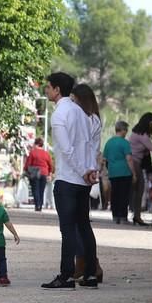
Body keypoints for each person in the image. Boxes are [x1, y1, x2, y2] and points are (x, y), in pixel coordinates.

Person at [41, 72, 98, 290]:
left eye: (49, 87)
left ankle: (66, 275)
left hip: (68, 178)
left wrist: (84, 170)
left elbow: (66, 149)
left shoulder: (59, 114)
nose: (47, 90)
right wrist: (90, 169)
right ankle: (90, 274)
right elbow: (89, 144)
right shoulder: (81, 113)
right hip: (83, 180)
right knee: (84, 226)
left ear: (57, 90)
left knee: (67, 229)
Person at [70, 83, 104, 283]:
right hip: (88, 171)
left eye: (74, 100)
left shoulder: (87, 120)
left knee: (77, 222)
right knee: (80, 222)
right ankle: (88, 262)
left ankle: (86, 262)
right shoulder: (94, 120)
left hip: (83, 172)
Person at [103, 121, 137, 224]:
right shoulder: (125, 143)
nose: (126, 132)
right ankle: (123, 217)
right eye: (126, 130)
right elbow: (129, 159)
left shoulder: (109, 142)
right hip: (124, 172)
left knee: (115, 194)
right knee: (124, 195)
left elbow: (104, 159)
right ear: (122, 130)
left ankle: (115, 216)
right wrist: (134, 173)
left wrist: (106, 171)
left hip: (113, 172)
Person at [24, 137, 54, 211]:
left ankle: (37, 205)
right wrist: (50, 173)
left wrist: (26, 171)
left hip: (35, 173)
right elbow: (51, 165)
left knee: (35, 189)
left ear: (35, 144)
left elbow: (28, 164)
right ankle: (40, 204)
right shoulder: (46, 153)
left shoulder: (32, 152)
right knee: (41, 189)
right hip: (44, 173)